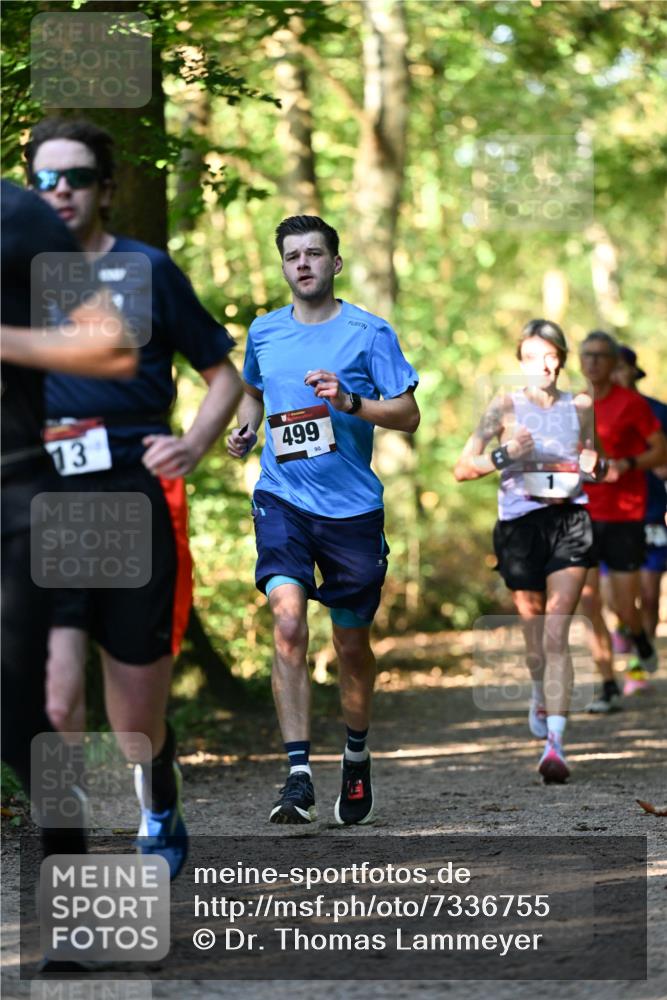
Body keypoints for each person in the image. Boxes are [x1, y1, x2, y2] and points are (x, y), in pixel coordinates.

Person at [25, 118, 242, 877]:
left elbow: (223, 375)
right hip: (37, 498)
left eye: (77, 178)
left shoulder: (146, 269)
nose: (60, 192)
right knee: (53, 704)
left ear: (106, 189)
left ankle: (158, 794)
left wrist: (192, 444)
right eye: (45, 179)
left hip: (127, 494)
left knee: (134, 718)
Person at [228, 215, 419, 824]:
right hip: (282, 497)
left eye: (314, 254)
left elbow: (409, 414)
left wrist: (350, 402)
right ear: (283, 266)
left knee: (350, 643)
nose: (303, 263)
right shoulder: (264, 332)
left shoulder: (370, 333)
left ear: (335, 264)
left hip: (352, 510)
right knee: (287, 624)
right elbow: (254, 390)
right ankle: (298, 774)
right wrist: (246, 426)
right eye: (292, 256)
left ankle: (356, 754)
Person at [1, 179, 136, 860]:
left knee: (17, 705)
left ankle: (66, 855)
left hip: (16, 489)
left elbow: (112, 344)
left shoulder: (16, 215)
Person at [455, 319, 604, 783]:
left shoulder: (581, 405)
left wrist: (594, 466)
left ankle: (555, 743)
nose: (541, 364)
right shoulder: (504, 406)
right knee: (537, 640)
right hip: (520, 526)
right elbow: (463, 467)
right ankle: (539, 687)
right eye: (529, 357)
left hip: (570, 522)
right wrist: (505, 455)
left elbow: (594, 464)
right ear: (519, 362)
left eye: (549, 355)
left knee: (558, 631)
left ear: (561, 357)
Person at [578, 331, 667, 713]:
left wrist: (627, 465)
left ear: (615, 363)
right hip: (581, 511)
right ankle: (608, 683)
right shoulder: (575, 405)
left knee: (622, 604)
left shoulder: (632, 404)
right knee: (588, 600)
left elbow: (660, 449)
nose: (593, 362)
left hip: (626, 511)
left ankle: (641, 641)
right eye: (587, 355)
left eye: (601, 355)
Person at [607, 345, 667, 694]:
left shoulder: (658, 411)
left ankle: (637, 665)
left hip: (651, 510)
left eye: (620, 367)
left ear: (633, 371)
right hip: (610, 512)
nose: (614, 374)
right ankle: (631, 637)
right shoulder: (592, 410)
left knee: (648, 591)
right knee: (614, 595)